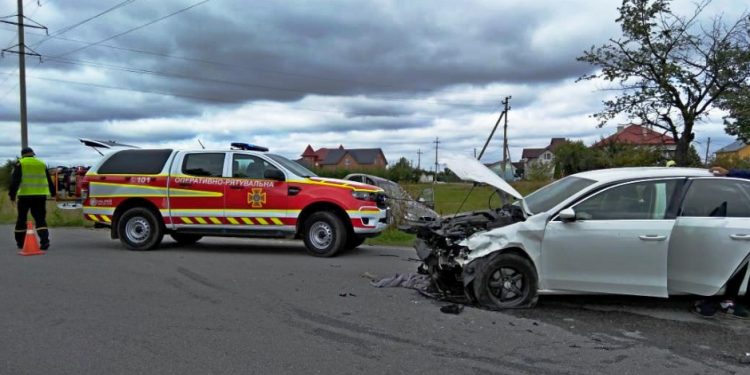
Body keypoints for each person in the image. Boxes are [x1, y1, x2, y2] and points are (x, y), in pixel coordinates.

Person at [692, 166, 750, 319]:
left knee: (737, 264)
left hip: (736, 227)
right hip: (725, 227)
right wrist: (731, 172)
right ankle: (710, 299)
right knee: (725, 263)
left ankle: (726, 301)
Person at [9, 147, 56, 250]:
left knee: (22, 218)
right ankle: (44, 241)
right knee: (40, 218)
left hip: (25, 196)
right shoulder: (41, 164)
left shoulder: (20, 163)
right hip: (40, 196)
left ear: (22, 154)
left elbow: (15, 181)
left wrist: (12, 195)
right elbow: (48, 180)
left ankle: (20, 243)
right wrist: (53, 192)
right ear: (33, 154)